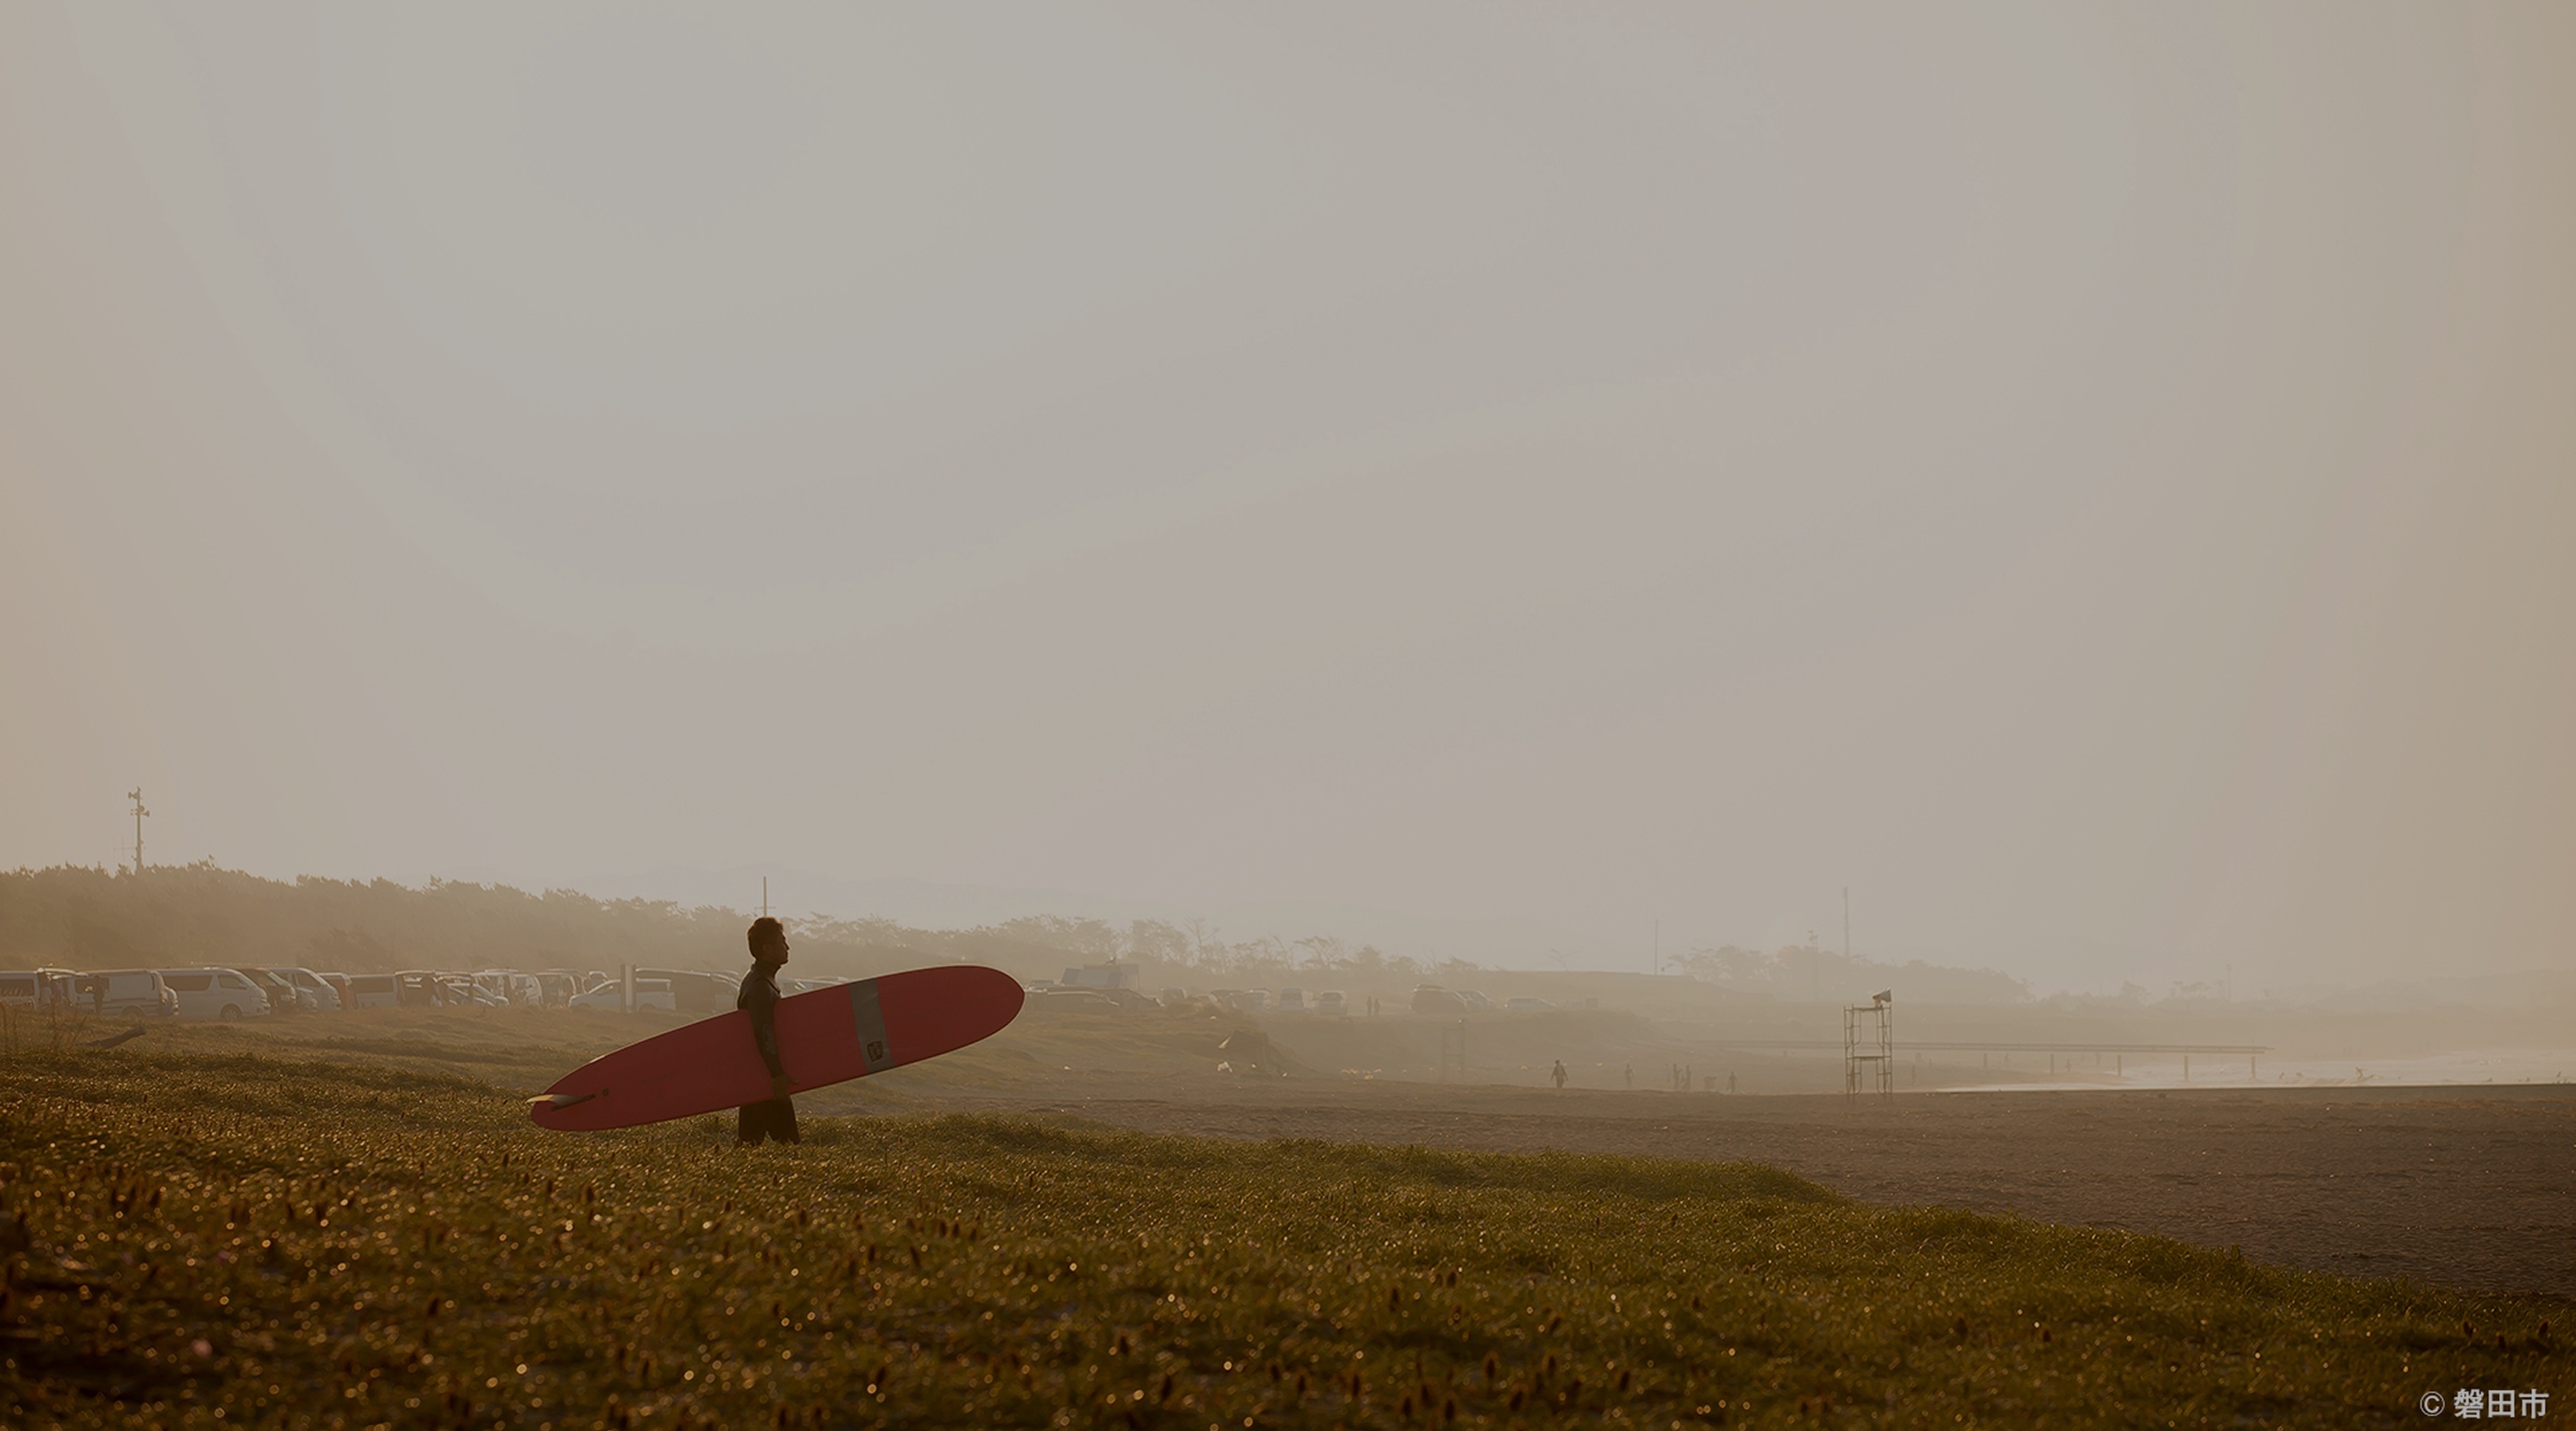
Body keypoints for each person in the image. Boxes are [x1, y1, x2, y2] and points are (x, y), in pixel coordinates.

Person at [737, 917, 799, 1146]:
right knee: (787, 1144)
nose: (787, 947)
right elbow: (763, 1031)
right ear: (767, 948)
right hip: (765, 1076)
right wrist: (776, 1074)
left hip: (758, 1074)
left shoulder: (759, 978)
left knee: (750, 1143)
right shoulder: (761, 986)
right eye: (782, 942)